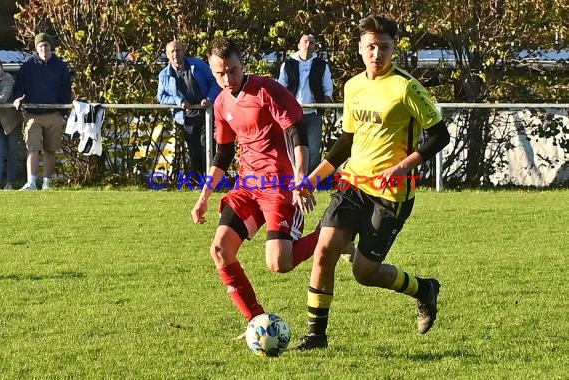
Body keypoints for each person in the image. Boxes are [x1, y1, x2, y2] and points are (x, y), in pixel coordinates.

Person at [293, 14, 451, 350]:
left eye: (383, 46)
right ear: (360, 48)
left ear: (394, 48)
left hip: (391, 194)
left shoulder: (405, 87)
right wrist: (311, 179)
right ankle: (315, 337)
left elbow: (440, 135)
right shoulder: (352, 86)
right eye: (370, 46)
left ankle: (423, 289)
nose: (376, 53)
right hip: (353, 184)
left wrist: (404, 167)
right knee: (323, 251)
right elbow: (346, 141)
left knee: (365, 273)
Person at [191, 37, 319, 334]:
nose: (227, 79)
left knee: (279, 263)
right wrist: (204, 197)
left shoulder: (267, 90)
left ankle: (332, 235)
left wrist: (300, 177)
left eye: (233, 71)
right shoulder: (222, 102)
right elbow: (222, 154)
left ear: (242, 63)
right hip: (247, 187)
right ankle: (257, 323)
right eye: (220, 73)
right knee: (221, 250)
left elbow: (296, 133)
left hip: (279, 187)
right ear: (212, 70)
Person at [13, 32, 72, 191]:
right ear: (36, 48)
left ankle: (46, 183)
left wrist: (63, 113)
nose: (44, 48)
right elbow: (19, 87)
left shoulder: (60, 65)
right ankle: (31, 182)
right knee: (32, 148)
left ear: (50, 47)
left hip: (54, 113)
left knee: (50, 149)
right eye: (41, 46)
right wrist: (18, 98)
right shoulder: (28, 65)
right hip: (33, 114)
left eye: (46, 45)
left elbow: (66, 90)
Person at [157, 41, 222, 178]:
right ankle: (199, 181)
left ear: (183, 50)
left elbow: (216, 82)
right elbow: (161, 96)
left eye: (178, 50)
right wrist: (178, 101)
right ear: (167, 54)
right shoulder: (164, 75)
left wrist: (210, 99)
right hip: (186, 116)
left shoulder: (198, 65)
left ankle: (212, 180)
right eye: (172, 52)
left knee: (208, 146)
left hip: (206, 112)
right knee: (193, 150)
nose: (175, 54)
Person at [278, 33, 333, 174]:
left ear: (315, 47)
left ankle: (309, 181)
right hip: (292, 115)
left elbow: (327, 86)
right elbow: (281, 86)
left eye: (311, 43)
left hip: (313, 114)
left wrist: (326, 102)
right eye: (305, 42)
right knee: (293, 149)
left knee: (314, 149)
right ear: (299, 45)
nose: (308, 45)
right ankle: (293, 178)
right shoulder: (288, 64)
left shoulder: (322, 65)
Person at [0, 59, 22, 190]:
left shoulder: (7, 78)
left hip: (10, 121)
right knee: (0, 154)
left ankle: (10, 183)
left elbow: (3, 97)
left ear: (1, 67)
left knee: (12, 152)